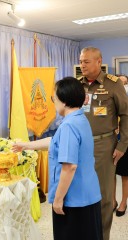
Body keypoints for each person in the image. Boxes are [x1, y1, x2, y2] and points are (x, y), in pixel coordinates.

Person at [12, 77, 103, 240]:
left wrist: (58, 199)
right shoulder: (80, 119)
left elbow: (69, 167)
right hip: (88, 195)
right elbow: (54, 142)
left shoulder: (68, 126)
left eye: (54, 98)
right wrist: (25, 145)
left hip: (73, 200)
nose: (53, 102)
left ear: (64, 100)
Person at [78, 47, 128, 240]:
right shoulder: (77, 85)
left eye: (86, 61)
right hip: (80, 145)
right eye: (81, 61)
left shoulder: (113, 85)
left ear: (99, 62)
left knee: (105, 196)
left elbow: (125, 115)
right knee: (81, 191)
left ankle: (101, 235)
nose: (82, 65)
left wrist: (122, 145)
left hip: (103, 146)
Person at [113, 74, 128, 217]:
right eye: (120, 83)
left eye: (125, 83)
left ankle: (123, 202)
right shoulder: (109, 98)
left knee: (124, 173)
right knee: (110, 172)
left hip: (125, 140)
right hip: (110, 139)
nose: (122, 86)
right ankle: (112, 201)